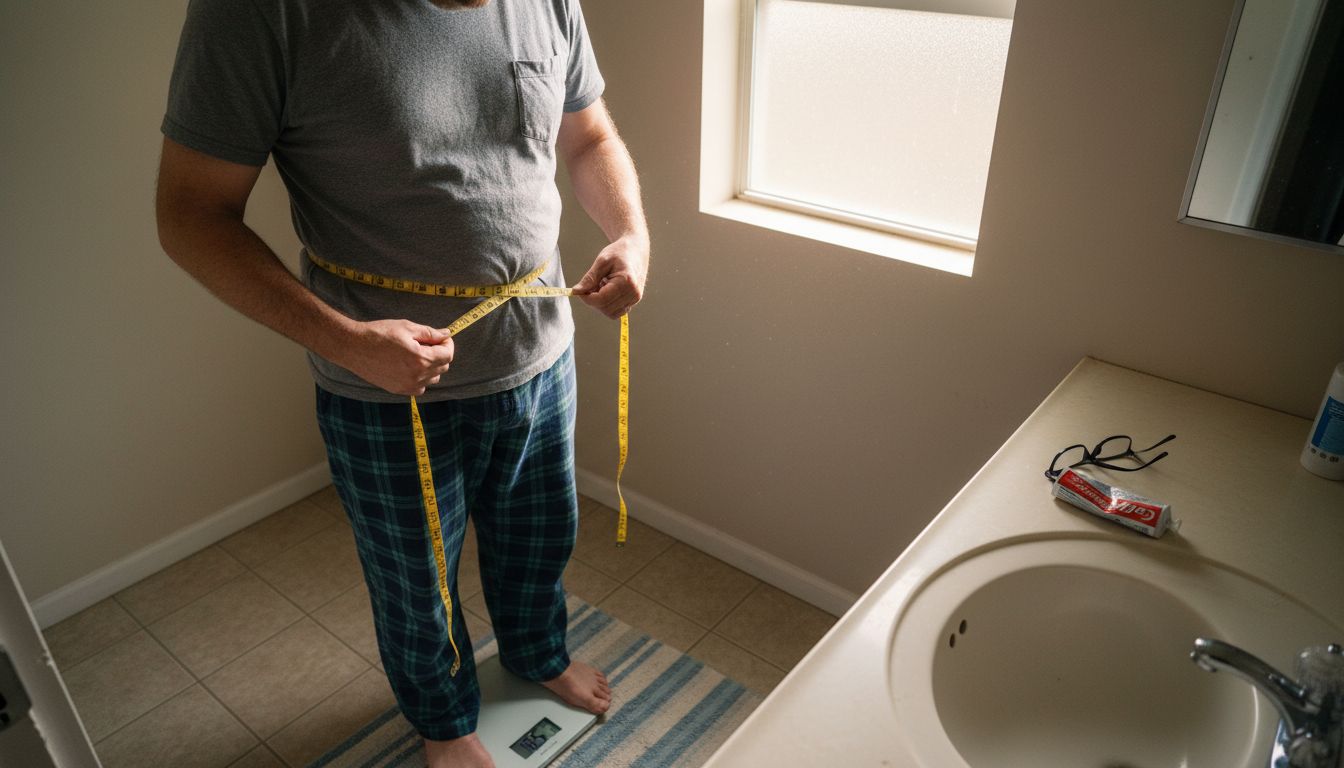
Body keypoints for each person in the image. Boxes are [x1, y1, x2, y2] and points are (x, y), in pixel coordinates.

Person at [154, 1, 648, 766]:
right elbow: (189, 212)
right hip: (385, 394)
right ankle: (443, 724)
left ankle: (536, 652)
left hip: (542, 355)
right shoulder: (258, 13)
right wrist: (343, 340)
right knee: (416, 586)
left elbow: (588, 136)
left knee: (541, 539)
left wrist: (630, 231)